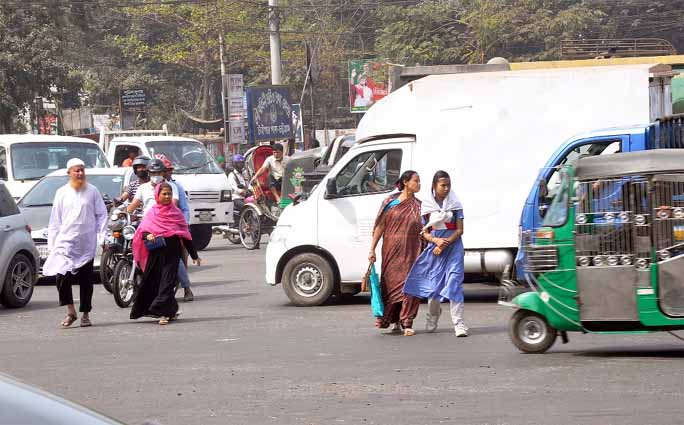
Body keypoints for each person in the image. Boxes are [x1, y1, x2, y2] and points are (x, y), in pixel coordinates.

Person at [43, 158, 108, 328]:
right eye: (76, 170)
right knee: (62, 278)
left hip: (86, 243)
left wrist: (102, 237)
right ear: (69, 173)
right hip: (66, 242)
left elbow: (102, 215)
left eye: (82, 170)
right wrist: (53, 245)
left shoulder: (92, 191)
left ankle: (85, 313)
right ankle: (71, 311)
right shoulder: (61, 192)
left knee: (86, 280)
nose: (80, 173)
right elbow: (55, 220)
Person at [403, 170, 468, 337]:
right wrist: (435, 241)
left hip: (453, 247)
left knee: (454, 282)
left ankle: (459, 323)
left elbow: (460, 230)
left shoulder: (456, 204)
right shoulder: (427, 206)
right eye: (443, 185)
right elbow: (423, 232)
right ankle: (433, 315)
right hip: (435, 248)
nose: (446, 188)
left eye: (448, 185)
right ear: (434, 186)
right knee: (433, 286)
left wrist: (445, 243)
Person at [130, 182, 202, 325]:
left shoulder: (176, 213)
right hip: (156, 253)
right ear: (157, 195)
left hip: (172, 254)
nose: (167, 196)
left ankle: (163, 313)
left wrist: (195, 255)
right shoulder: (152, 213)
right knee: (153, 282)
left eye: (169, 194)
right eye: (164, 194)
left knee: (167, 283)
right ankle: (171, 310)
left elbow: (185, 236)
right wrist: (148, 236)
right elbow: (143, 231)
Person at [368, 170, 423, 336]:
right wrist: (372, 249)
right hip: (391, 251)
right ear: (406, 182)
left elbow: (426, 229)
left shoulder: (420, 205)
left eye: (420, 181)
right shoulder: (390, 202)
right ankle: (394, 320)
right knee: (391, 285)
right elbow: (380, 226)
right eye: (416, 181)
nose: (419, 184)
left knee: (409, 285)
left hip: (411, 252)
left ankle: (407, 321)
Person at [157, 154, 194, 303]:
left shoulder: (173, 187)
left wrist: (182, 227)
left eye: (166, 170)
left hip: (173, 225)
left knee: (177, 258)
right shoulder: (146, 187)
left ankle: (186, 288)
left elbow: (179, 206)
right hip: (152, 225)